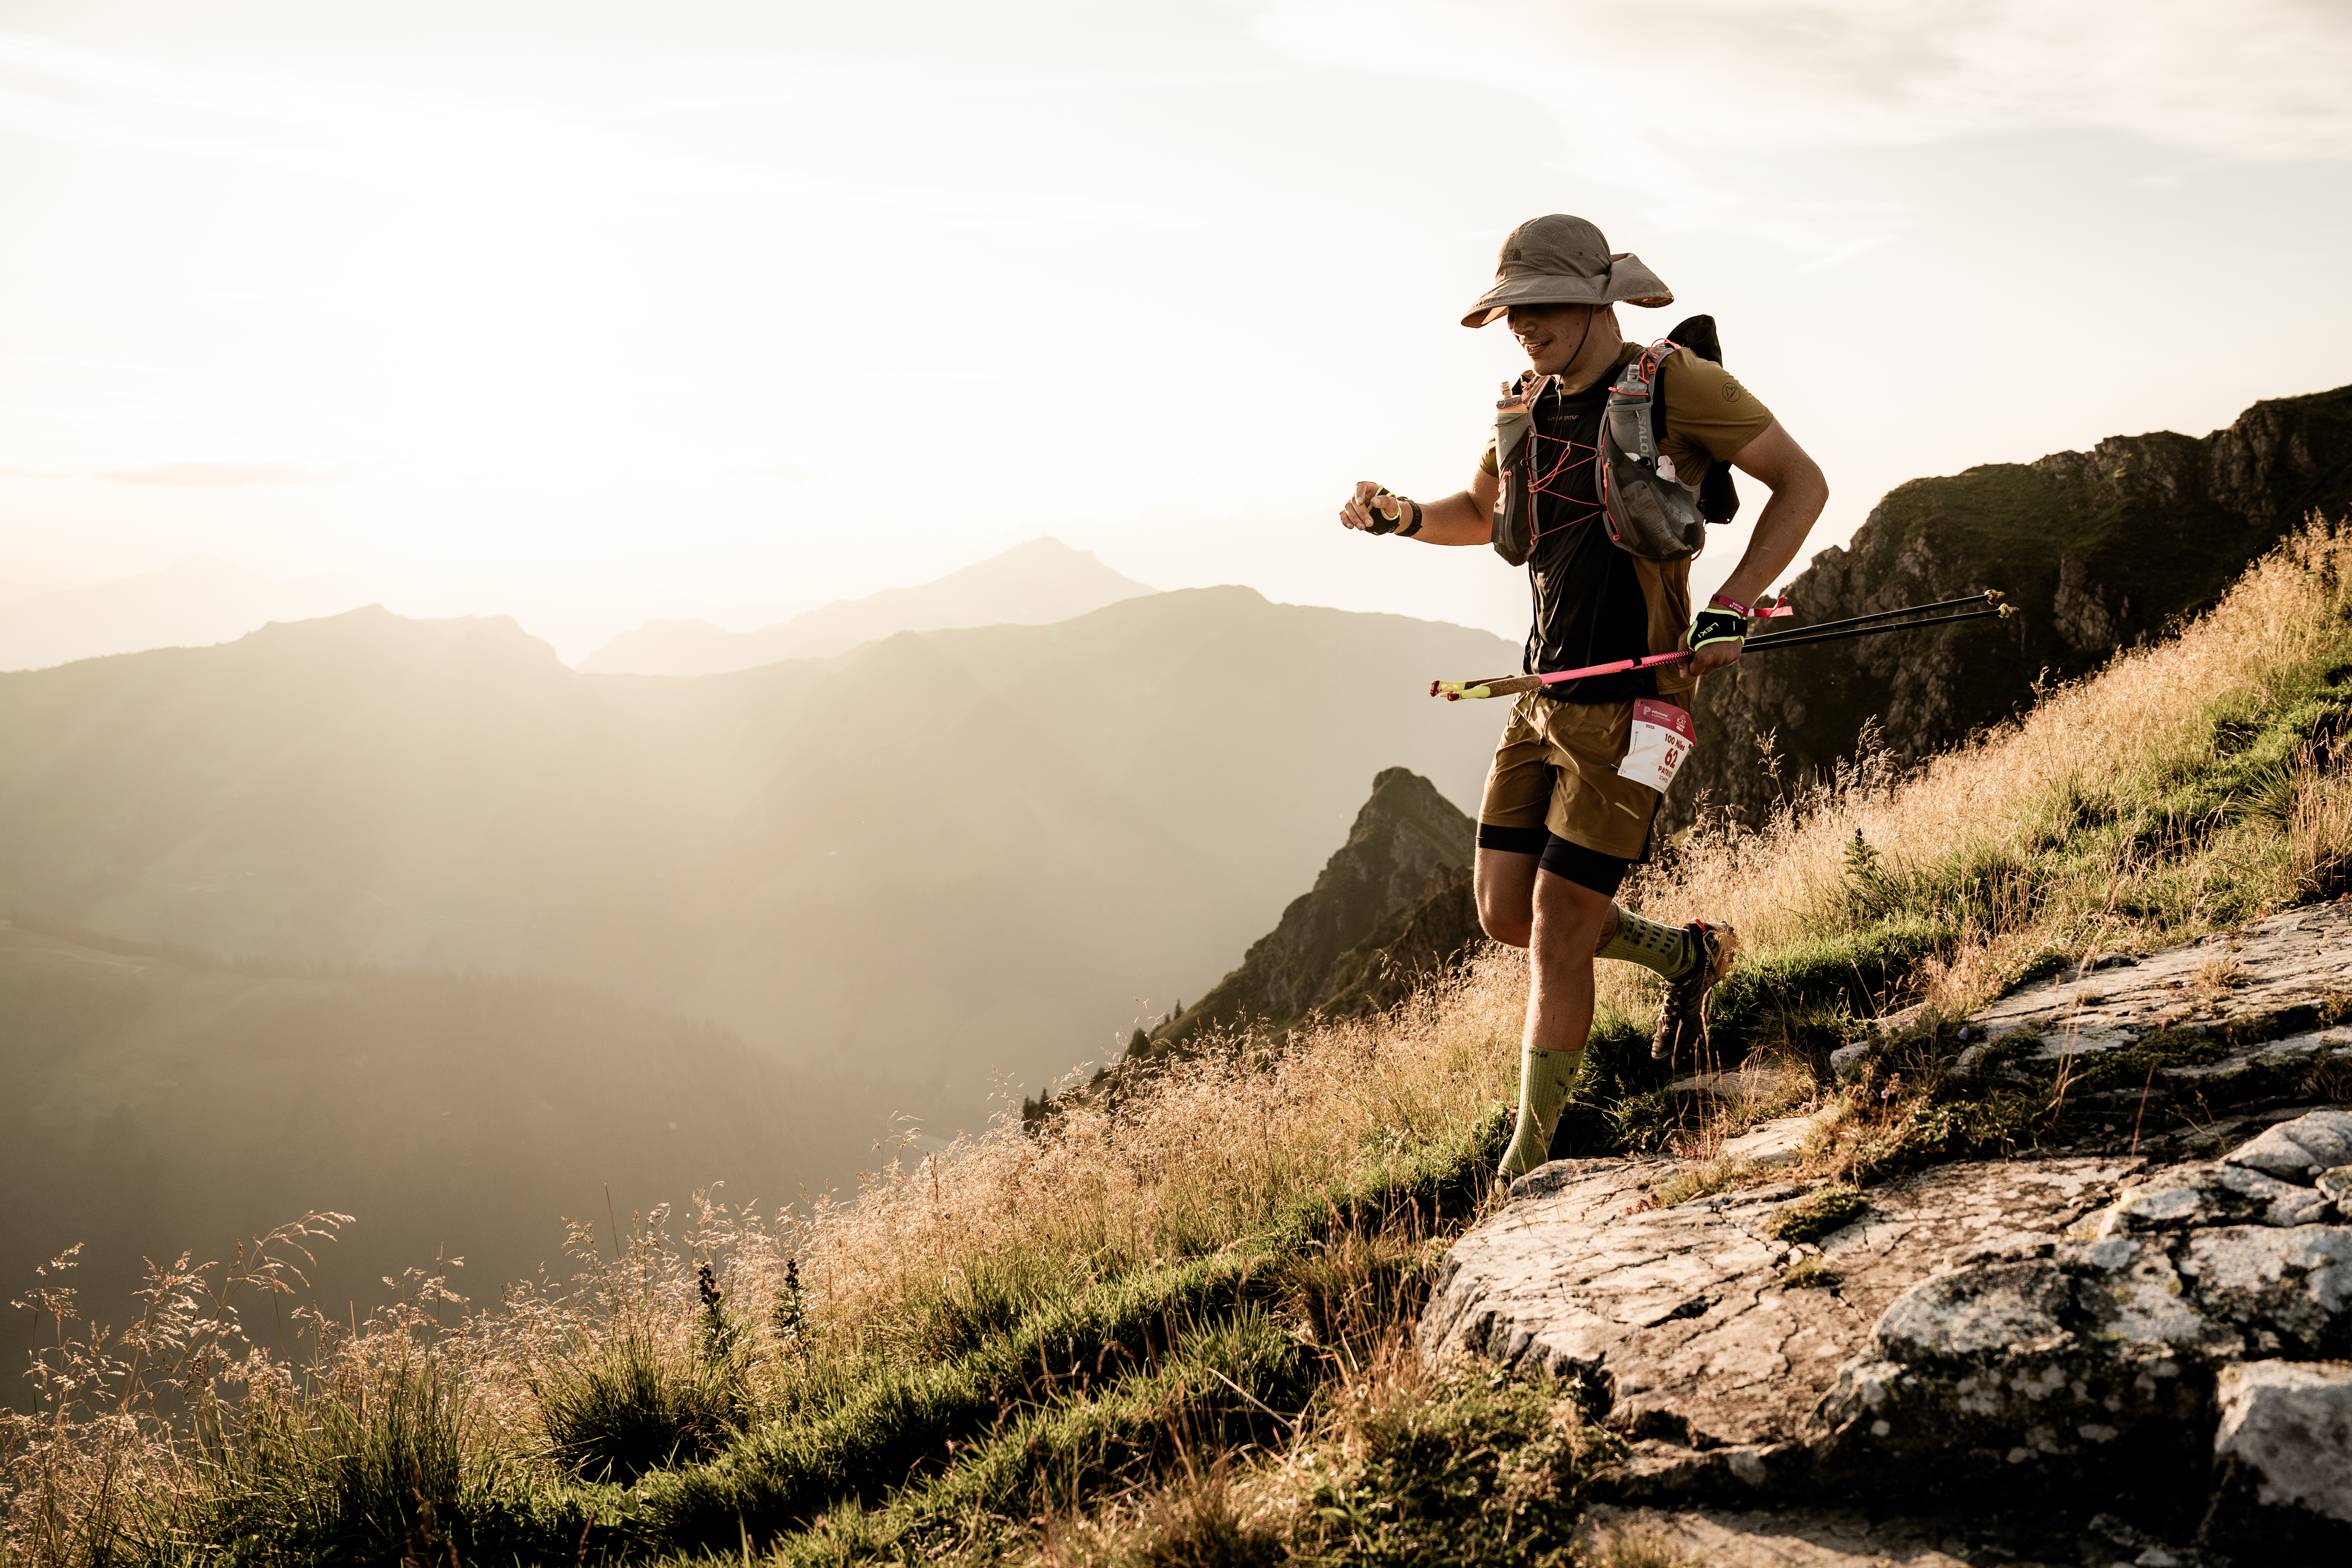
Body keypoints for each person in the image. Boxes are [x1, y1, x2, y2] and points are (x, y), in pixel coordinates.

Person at [1339, 214, 1828, 1184]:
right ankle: (1687, 959)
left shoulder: (1675, 384)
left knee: (1558, 932)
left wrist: (1731, 605)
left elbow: (1800, 483)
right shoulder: (1523, 404)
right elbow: (1480, 517)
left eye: (1542, 305)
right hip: (1538, 697)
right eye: (1511, 311)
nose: (1523, 327)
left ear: (1597, 297)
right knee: (1502, 915)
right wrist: (1400, 518)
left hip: (1640, 703)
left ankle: (1525, 1166)